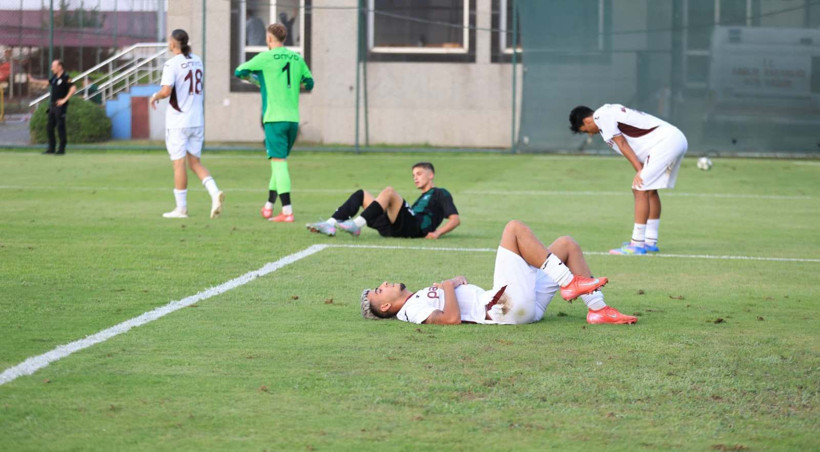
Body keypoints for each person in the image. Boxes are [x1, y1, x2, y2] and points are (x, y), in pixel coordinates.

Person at [361, 220, 637, 325]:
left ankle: (597, 309)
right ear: (385, 306)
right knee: (513, 229)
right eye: (379, 290)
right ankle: (568, 282)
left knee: (566, 245)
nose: (384, 283)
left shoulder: (416, 299)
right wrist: (447, 285)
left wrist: (452, 284)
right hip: (503, 309)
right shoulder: (409, 312)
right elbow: (451, 319)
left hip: (517, 306)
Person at [569, 104, 688, 255]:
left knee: (639, 188)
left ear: (586, 121)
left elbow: (622, 143)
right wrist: (641, 169)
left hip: (667, 143)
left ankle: (637, 244)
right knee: (649, 190)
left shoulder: (601, 116)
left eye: (586, 131)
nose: (590, 135)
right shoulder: (606, 114)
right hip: (673, 140)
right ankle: (650, 241)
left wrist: (639, 170)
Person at [234, 23, 314, 223]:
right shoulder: (297, 58)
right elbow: (310, 83)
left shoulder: (265, 57)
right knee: (279, 163)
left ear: (269, 39)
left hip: (274, 119)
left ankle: (287, 211)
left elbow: (239, 71)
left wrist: (256, 80)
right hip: (293, 120)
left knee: (279, 164)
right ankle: (269, 206)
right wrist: (292, 86)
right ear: (284, 38)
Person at [150, 29, 224, 219]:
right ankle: (215, 192)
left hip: (178, 122)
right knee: (195, 162)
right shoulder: (198, 61)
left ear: (173, 43)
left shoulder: (171, 64)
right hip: (196, 121)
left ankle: (181, 209)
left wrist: (155, 96)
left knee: (178, 164)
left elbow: (166, 91)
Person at [306, 162, 460, 239]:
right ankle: (329, 224)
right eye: (413, 175)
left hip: (416, 228)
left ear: (431, 175)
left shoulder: (440, 193)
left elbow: (455, 219)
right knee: (362, 194)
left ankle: (356, 225)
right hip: (393, 228)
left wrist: (437, 233)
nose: (415, 178)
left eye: (419, 174)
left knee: (389, 192)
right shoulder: (422, 197)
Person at [44, 60, 76, 155]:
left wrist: (64, 100)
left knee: (60, 126)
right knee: (50, 127)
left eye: (53, 66)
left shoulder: (66, 77)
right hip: (53, 106)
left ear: (60, 67)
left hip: (60, 107)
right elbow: (47, 83)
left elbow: (73, 88)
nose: (52, 68)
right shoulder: (54, 78)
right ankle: (51, 148)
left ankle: (61, 149)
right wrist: (33, 80)